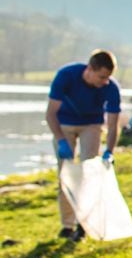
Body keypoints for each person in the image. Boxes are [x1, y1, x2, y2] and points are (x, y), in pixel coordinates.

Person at [45, 49, 122, 241]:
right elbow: (50, 114)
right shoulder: (66, 76)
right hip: (64, 124)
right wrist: (61, 140)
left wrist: (109, 151)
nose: (105, 81)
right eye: (102, 76)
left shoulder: (110, 88)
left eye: (108, 77)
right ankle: (67, 226)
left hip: (91, 125)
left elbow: (113, 125)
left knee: (89, 173)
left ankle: (84, 224)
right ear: (90, 69)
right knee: (66, 174)